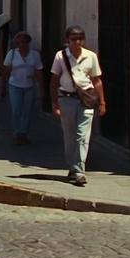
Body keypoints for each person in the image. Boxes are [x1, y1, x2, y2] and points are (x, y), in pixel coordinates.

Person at [49, 25, 105, 186]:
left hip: (86, 99)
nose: (77, 42)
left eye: (80, 39)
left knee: (82, 136)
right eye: (74, 39)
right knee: (69, 135)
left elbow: (97, 80)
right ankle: (73, 167)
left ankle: (79, 171)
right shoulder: (61, 56)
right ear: (68, 40)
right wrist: (55, 103)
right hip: (66, 99)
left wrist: (102, 101)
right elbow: (53, 81)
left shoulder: (91, 56)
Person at [1, 31, 43, 145]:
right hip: (15, 85)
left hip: (29, 85)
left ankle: (23, 133)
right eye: (20, 42)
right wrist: (3, 85)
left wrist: (41, 87)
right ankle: (16, 132)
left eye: (25, 42)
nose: (23, 44)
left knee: (27, 111)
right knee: (16, 109)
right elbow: (5, 70)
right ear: (17, 44)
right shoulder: (12, 54)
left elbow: (39, 71)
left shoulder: (34, 55)